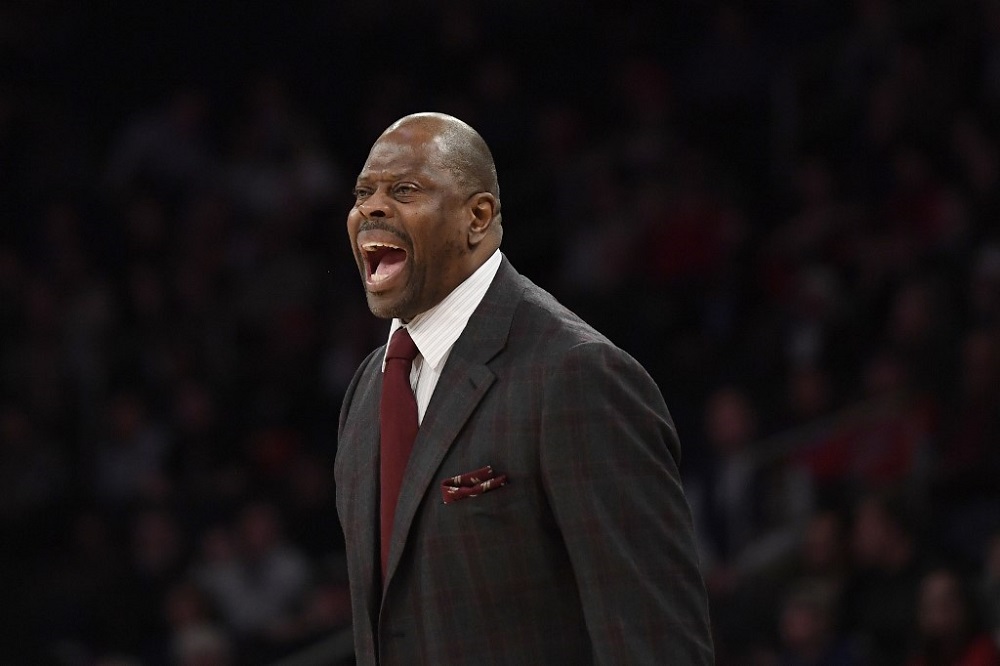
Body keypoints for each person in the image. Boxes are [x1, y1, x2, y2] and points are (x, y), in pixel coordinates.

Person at [335, 112, 713, 665]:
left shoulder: (577, 376)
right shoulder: (365, 393)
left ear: (478, 216)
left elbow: (656, 643)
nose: (371, 207)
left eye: (404, 190)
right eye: (363, 191)